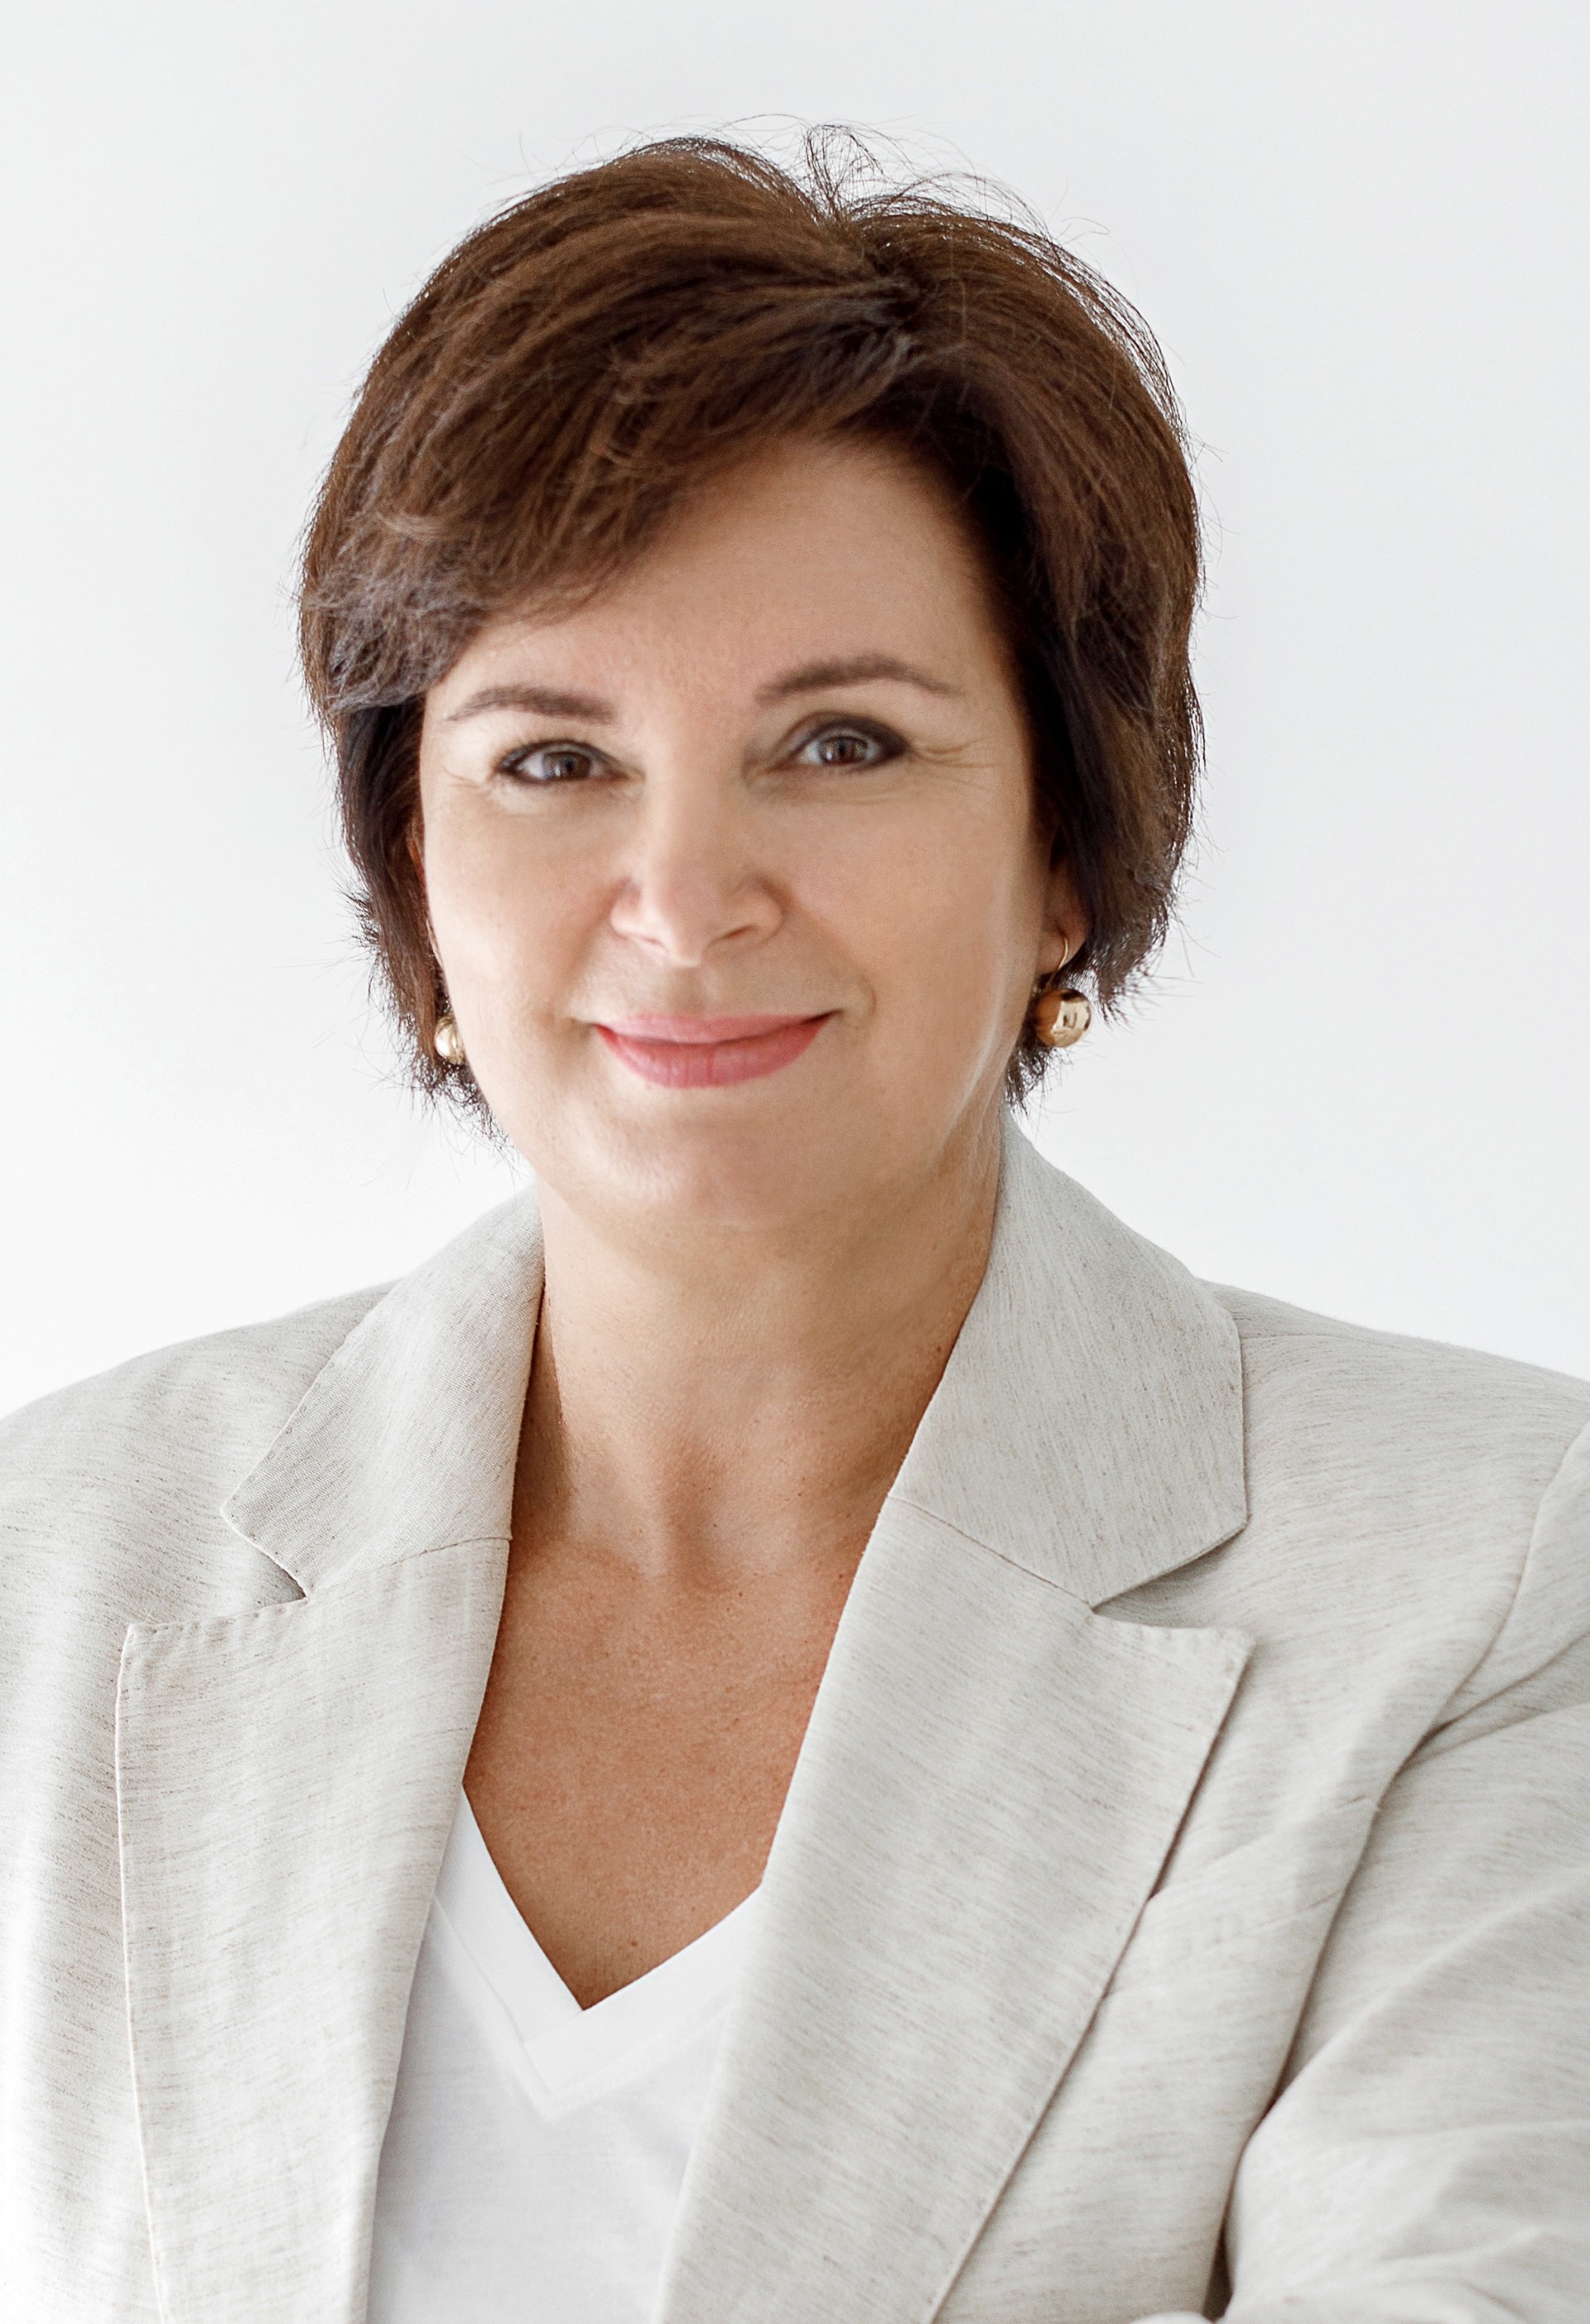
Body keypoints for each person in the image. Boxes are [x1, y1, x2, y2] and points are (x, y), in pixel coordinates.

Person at [2, 132, 1585, 2324]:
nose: (684, 899)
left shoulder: (1486, 1576)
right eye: (553, 760)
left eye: (840, 743)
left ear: (1066, 852)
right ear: (416, 882)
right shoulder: (53, 1570)